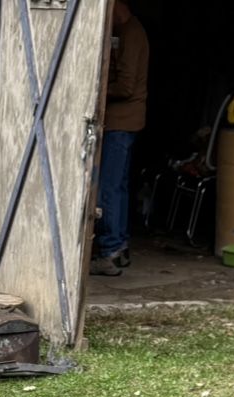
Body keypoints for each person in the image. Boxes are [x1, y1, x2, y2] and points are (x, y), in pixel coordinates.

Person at [93, 1, 148, 277]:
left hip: (120, 123)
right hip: (125, 123)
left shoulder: (131, 35)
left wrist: (96, 87)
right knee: (119, 187)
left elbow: (126, 86)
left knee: (108, 189)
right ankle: (120, 247)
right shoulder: (129, 32)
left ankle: (109, 251)